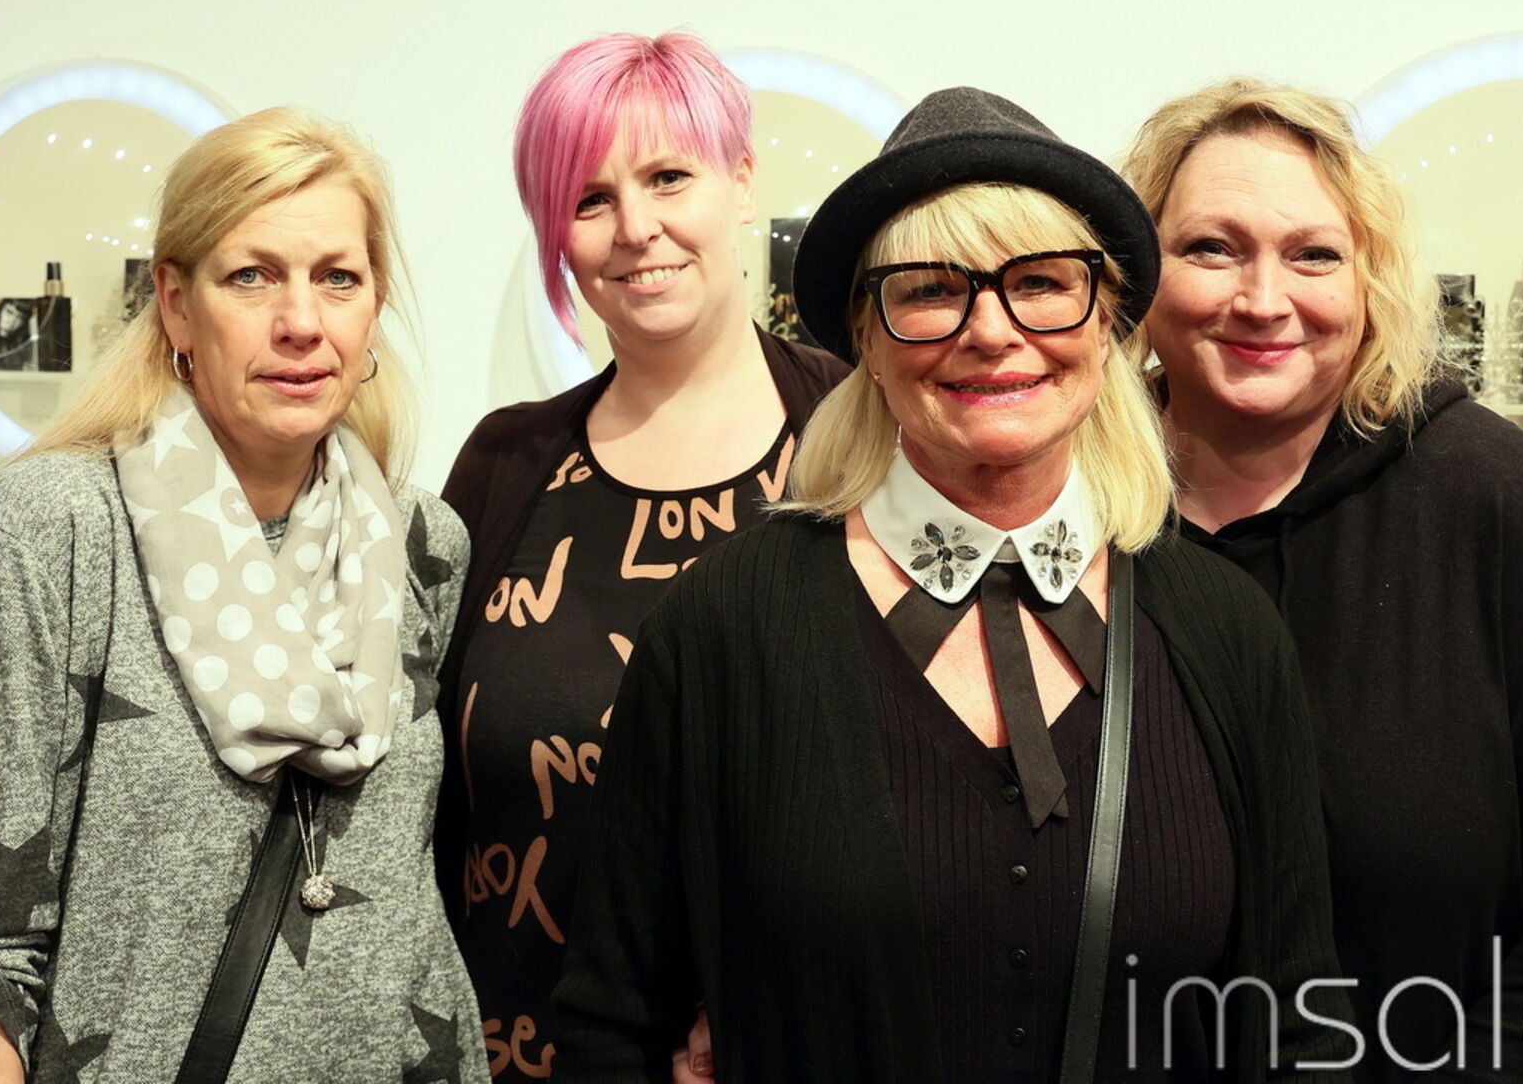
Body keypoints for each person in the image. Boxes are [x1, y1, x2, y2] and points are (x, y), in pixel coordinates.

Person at [551, 88, 1356, 1083]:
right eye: (931, 290)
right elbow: (611, 1027)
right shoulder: (724, 626)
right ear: (866, 336)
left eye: (1042, 282)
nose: (992, 330)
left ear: (1106, 318)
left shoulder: (1225, 630)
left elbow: (1297, 1025)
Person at [0, 107, 487, 1082]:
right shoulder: (53, 528)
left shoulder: (425, 544)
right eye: (252, 275)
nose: (302, 321)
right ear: (175, 303)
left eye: (338, 276)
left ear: (373, 304)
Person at [1121, 78, 1523, 1081]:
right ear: (1135, 274)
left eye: (1314, 254)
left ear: (1372, 278)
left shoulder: (1493, 497)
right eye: (1212, 247)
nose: (1264, 299)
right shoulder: (1073, 511)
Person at [434, 31, 847, 1080]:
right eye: (590, 198)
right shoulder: (504, 464)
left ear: (742, 182)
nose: (635, 228)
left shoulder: (859, 437)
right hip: (507, 1052)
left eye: (669, 177)